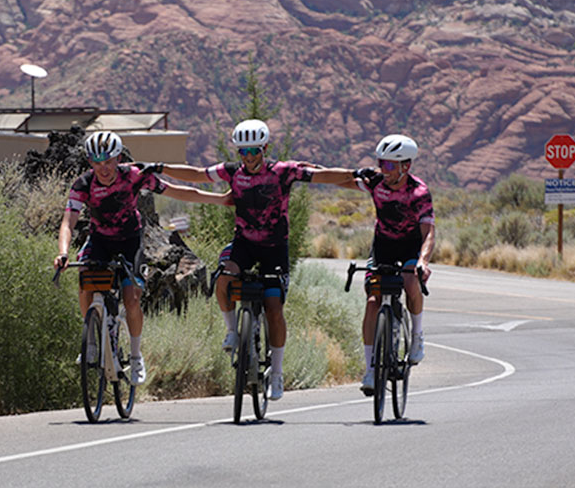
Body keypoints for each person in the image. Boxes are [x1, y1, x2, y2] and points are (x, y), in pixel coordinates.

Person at [142, 119, 351, 400]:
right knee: (223, 278)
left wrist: (357, 174)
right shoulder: (232, 172)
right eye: (243, 152)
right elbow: (197, 174)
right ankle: (231, 331)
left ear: (265, 148)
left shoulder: (283, 171)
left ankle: (276, 374)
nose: (249, 157)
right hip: (244, 244)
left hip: (275, 248)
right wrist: (160, 168)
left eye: (254, 150)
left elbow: (324, 177)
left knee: (274, 306)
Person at [54, 131, 233, 386]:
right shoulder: (83, 184)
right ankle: (91, 341)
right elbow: (68, 222)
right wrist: (62, 252)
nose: (103, 168)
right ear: (90, 162)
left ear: (118, 158)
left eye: (108, 161)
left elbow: (176, 191)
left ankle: (136, 356)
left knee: (131, 296)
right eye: (96, 162)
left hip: (130, 241)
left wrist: (219, 199)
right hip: (100, 240)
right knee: (85, 279)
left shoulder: (134, 176)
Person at [340, 134, 434, 395]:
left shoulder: (419, 192)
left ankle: (417, 337)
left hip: (410, 247)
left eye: (390, 165)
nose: (384, 169)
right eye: (382, 163)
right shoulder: (376, 183)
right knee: (372, 301)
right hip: (383, 246)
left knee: (410, 280)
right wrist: (308, 172)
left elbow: (428, 232)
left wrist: (423, 261)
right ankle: (370, 368)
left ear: (406, 166)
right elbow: (344, 181)